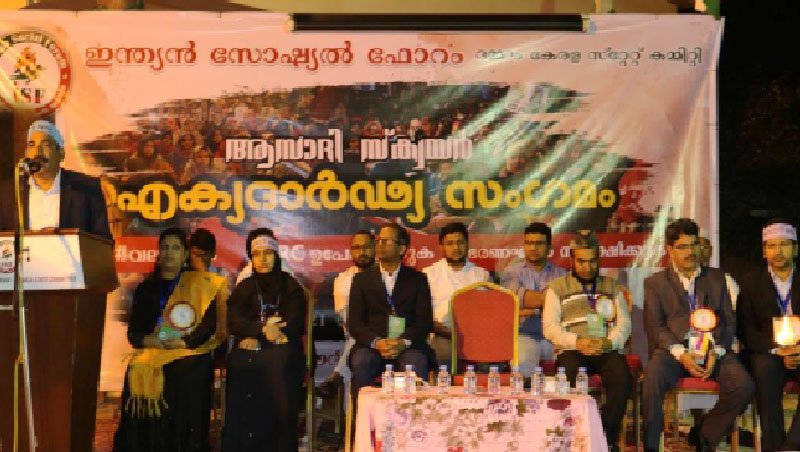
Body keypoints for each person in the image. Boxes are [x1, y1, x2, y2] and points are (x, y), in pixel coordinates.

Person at [642, 218, 754, 452]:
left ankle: (703, 434)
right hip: (674, 352)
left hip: (713, 350)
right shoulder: (655, 283)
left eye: (693, 245)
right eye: (682, 247)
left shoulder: (717, 278)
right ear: (669, 249)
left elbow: (728, 321)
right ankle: (651, 446)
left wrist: (717, 351)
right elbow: (656, 327)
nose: (690, 252)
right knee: (653, 377)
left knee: (743, 386)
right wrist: (682, 355)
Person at [113, 227, 222, 452]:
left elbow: (208, 326)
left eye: (176, 248)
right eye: (165, 248)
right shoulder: (146, 289)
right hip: (154, 350)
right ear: (159, 253)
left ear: (185, 254)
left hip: (189, 350)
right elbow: (134, 333)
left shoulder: (200, 285)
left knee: (188, 370)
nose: (170, 253)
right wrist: (149, 341)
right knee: (137, 367)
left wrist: (184, 343)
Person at [542, 230, 632, 452]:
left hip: (605, 348)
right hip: (572, 349)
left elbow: (625, 324)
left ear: (599, 260)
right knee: (567, 377)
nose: (587, 267)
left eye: (592, 261)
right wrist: (577, 341)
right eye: (581, 261)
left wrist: (609, 343)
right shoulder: (557, 288)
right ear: (572, 260)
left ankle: (603, 438)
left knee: (622, 379)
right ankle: (573, 439)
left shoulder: (612, 287)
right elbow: (550, 328)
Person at [223, 228, 306, 452]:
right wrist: (258, 331)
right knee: (239, 363)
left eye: (268, 253)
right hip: (252, 342)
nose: (262, 259)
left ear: (276, 255)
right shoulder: (245, 286)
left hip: (283, 345)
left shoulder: (290, 285)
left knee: (280, 364)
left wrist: (273, 335)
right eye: (257, 254)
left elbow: (296, 320)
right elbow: (233, 319)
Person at [348, 223, 433, 399]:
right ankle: (363, 416)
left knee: (415, 363)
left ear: (402, 249)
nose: (379, 245)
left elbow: (424, 322)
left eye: (386, 241)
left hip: (408, 345)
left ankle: (413, 415)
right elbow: (355, 323)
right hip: (372, 346)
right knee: (362, 362)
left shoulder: (418, 279)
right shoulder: (361, 279)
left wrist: (403, 341)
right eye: (378, 241)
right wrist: (377, 342)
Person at [738, 220, 799, 452]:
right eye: (772, 246)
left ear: (795, 249)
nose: (778, 251)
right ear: (764, 252)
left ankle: (792, 445)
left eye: (784, 245)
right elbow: (745, 328)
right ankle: (772, 447)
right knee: (765, 373)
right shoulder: (751, 281)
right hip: (768, 350)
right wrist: (778, 349)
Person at [0, 119, 112, 239]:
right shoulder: (7, 192)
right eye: (32, 145)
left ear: (61, 153)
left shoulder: (87, 188)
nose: (37, 152)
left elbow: (102, 242)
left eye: (46, 144)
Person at [501, 222, 567, 375]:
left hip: (555, 337)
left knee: (573, 363)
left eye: (539, 243)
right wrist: (549, 302)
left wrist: (529, 308)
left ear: (549, 248)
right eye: (529, 243)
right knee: (522, 369)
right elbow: (516, 300)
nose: (533, 248)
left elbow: (565, 307)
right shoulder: (511, 273)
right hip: (524, 335)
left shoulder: (562, 275)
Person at [422, 222, 490, 366]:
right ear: (442, 247)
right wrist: (444, 331)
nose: (456, 248)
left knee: (489, 360)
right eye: (450, 243)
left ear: (467, 244)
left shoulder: (481, 275)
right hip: (442, 334)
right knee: (444, 356)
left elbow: (488, 313)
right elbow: (422, 314)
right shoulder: (429, 274)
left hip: (475, 336)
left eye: (460, 242)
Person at [318, 230, 376, 397]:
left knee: (355, 345)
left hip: (388, 334)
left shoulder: (386, 274)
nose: (362, 252)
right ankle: (340, 376)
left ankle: (338, 375)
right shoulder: (343, 279)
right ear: (351, 252)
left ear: (375, 248)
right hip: (359, 336)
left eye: (366, 247)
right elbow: (349, 320)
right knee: (357, 339)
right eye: (357, 248)